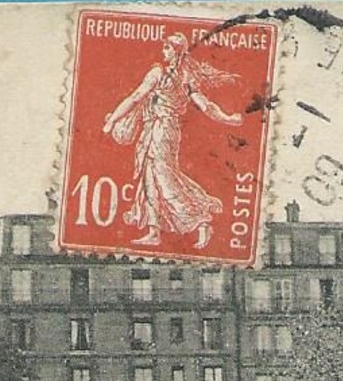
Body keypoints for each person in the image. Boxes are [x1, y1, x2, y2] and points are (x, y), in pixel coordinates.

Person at [101, 33, 243, 250]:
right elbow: (205, 105)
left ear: (176, 51)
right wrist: (227, 119)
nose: (163, 52)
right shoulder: (186, 77)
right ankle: (153, 230)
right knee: (150, 178)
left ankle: (200, 220)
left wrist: (112, 120)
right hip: (162, 129)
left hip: (160, 129)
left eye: (167, 48)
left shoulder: (158, 73)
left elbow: (135, 97)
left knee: (164, 178)